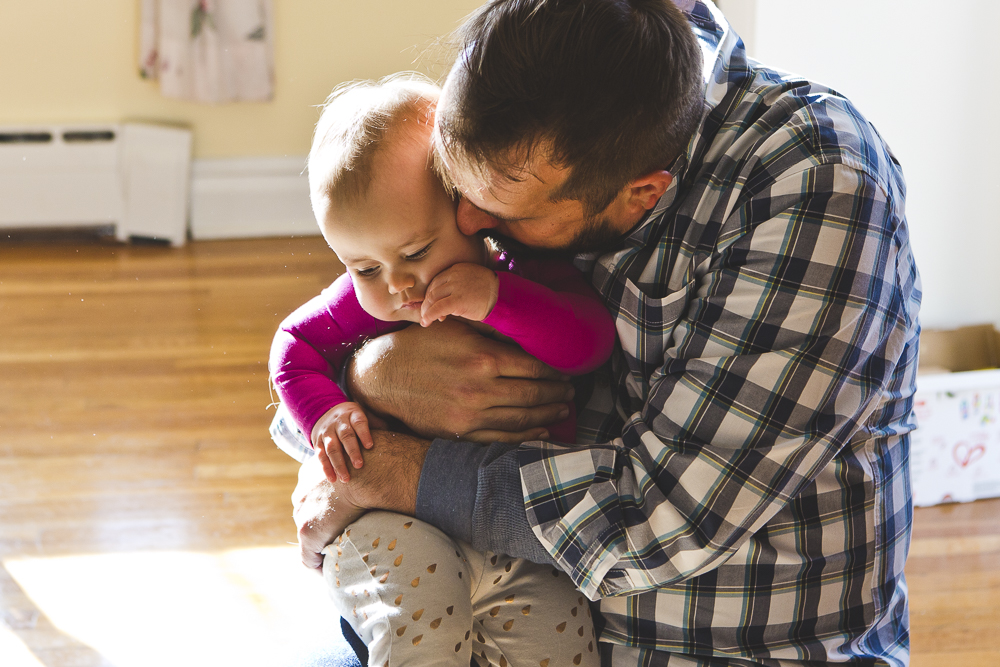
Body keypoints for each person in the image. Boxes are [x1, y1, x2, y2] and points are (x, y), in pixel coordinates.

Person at [291, 1, 920, 665]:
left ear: (640, 194)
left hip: (728, 644)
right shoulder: (518, 109)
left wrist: (396, 471)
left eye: (500, 211)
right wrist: (374, 374)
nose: (468, 223)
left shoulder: (816, 184)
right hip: (501, 588)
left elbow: (660, 517)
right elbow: (318, 344)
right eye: (454, 190)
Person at [270, 75, 613, 666]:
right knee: (417, 638)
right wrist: (326, 410)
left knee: (561, 641)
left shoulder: (519, 272)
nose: (396, 285)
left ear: (470, 210)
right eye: (363, 267)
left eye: (414, 253)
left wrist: (497, 299)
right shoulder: (365, 302)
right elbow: (293, 344)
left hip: (520, 535)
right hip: (391, 523)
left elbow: (589, 343)